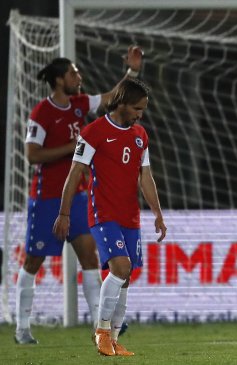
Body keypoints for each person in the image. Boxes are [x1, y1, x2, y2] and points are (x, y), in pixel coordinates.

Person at [15, 47, 143, 345]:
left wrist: (133, 72)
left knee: (90, 257)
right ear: (60, 80)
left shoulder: (79, 104)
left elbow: (113, 97)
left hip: (80, 198)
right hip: (47, 199)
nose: (79, 77)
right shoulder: (41, 113)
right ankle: (22, 328)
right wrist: (75, 146)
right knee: (33, 261)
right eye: (73, 73)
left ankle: (100, 328)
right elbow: (32, 155)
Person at [53, 77, 166, 356]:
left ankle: (114, 338)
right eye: (137, 108)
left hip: (130, 216)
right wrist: (64, 213)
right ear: (123, 103)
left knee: (125, 277)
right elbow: (75, 173)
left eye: (143, 109)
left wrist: (158, 213)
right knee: (120, 267)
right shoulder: (94, 132)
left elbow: (146, 176)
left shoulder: (140, 134)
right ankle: (101, 331)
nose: (141, 114)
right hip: (103, 214)